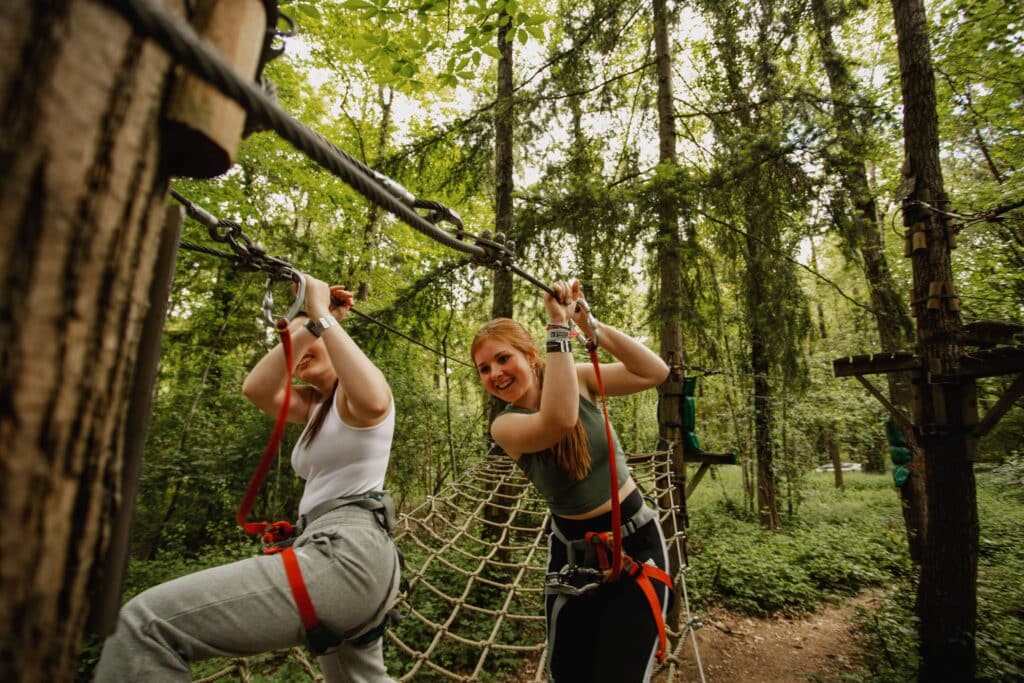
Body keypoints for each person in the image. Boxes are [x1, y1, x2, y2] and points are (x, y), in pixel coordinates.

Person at [95, 274, 401, 683]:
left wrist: (323, 314)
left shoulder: (356, 396)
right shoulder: (315, 407)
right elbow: (256, 389)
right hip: (340, 555)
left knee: (146, 625)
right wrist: (309, 326)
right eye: (302, 345)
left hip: (347, 555)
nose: (303, 350)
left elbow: (376, 399)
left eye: (315, 342)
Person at [471, 280, 672, 683]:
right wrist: (558, 329)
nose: (495, 373)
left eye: (503, 358)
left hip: (637, 543)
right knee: (570, 673)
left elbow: (654, 372)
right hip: (573, 557)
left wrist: (591, 327)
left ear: (530, 354)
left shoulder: (579, 378)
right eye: (484, 369)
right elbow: (559, 420)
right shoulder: (505, 426)